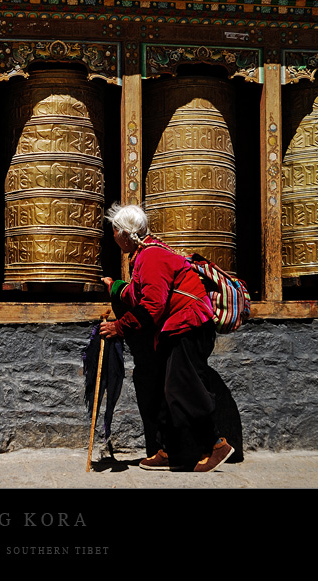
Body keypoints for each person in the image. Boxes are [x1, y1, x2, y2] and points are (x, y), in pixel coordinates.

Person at [99, 202, 234, 472]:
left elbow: (152, 305)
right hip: (179, 327)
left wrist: (119, 327)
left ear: (126, 234)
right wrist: (115, 288)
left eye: (115, 231)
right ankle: (169, 451)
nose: (113, 237)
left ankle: (216, 444)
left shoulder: (151, 257)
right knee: (168, 389)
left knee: (185, 388)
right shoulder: (145, 255)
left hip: (191, 326)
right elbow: (140, 293)